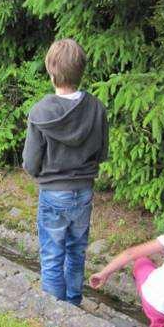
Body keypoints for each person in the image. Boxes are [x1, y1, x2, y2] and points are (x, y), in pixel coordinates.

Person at [22, 39, 108, 306]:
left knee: (52, 255)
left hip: (53, 194)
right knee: (76, 251)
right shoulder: (96, 108)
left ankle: (56, 314)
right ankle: (73, 303)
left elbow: (30, 162)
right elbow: (102, 153)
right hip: (83, 192)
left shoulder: (40, 112)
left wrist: (40, 175)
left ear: (51, 72)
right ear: (81, 71)